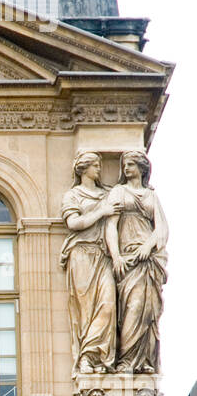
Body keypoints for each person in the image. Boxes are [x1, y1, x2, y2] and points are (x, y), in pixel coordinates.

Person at [104, 150, 168, 373]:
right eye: (124, 165)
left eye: (130, 164)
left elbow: (161, 229)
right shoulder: (118, 192)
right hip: (127, 259)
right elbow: (111, 226)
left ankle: (141, 363)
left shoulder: (151, 196)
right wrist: (116, 256)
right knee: (131, 307)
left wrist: (148, 246)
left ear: (142, 168)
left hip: (147, 259)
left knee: (146, 309)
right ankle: (126, 360)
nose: (126, 169)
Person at [60, 152, 119, 375]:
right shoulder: (73, 195)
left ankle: (97, 356)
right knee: (86, 310)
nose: (99, 169)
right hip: (81, 254)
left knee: (107, 304)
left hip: (103, 255)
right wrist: (101, 211)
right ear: (83, 169)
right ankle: (86, 358)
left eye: (99, 164)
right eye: (94, 165)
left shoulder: (107, 193)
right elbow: (74, 223)